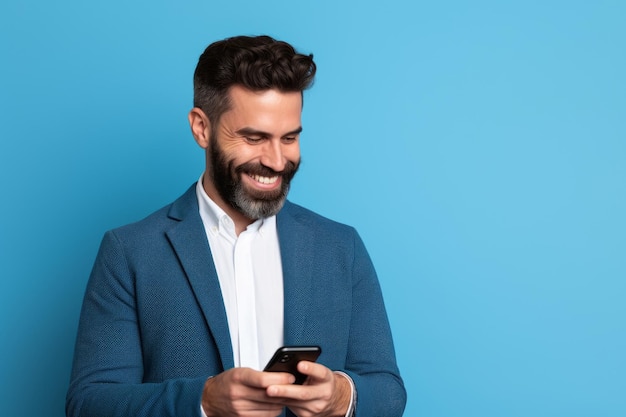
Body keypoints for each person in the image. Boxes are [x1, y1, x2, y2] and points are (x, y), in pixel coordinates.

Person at [66, 35, 406, 417]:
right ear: (201, 128)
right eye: (254, 137)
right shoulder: (130, 252)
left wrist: (342, 395)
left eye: (289, 138)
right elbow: (89, 404)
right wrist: (202, 401)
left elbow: (388, 390)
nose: (277, 161)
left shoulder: (341, 247)